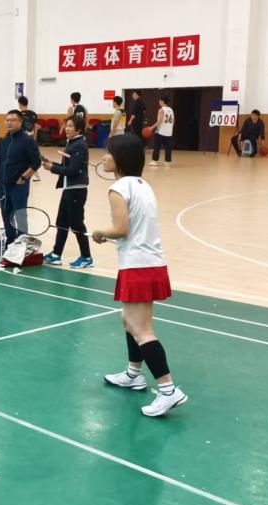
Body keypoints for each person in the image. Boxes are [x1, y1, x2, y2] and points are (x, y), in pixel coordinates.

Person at [93, 133, 187, 417]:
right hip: (151, 262)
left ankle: (168, 390)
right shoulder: (143, 185)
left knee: (141, 329)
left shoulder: (118, 188)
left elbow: (121, 229)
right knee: (130, 321)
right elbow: (132, 228)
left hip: (138, 265)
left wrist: (100, 232)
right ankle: (134, 374)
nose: (104, 157)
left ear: (120, 158)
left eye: (108, 152)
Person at [42, 116, 93, 268]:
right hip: (68, 189)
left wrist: (53, 168)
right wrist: (51, 164)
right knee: (62, 223)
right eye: (66, 125)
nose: (67, 129)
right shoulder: (72, 143)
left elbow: (73, 170)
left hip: (76, 190)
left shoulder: (79, 145)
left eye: (70, 126)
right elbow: (67, 167)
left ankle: (87, 257)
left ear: (79, 129)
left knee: (77, 225)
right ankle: (56, 255)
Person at [0, 109, 41, 249]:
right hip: (3, 185)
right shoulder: (3, 141)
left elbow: (36, 163)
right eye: (7, 120)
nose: (8, 122)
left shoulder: (28, 141)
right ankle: (10, 240)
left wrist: (23, 177)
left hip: (19, 186)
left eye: (12, 120)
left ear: (20, 122)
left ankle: (23, 242)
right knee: (6, 214)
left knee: (20, 214)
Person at [18, 97, 40, 181]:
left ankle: (26, 174)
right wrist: (34, 137)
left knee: (24, 156)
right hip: (31, 137)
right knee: (32, 156)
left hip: (22, 138)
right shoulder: (33, 114)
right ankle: (36, 176)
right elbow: (36, 127)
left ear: (20, 104)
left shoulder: (19, 114)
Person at [149, 95, 174, 167]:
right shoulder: (171, 110)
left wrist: (151, 128)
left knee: (157, 146)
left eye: (160, 101)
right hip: (169, 132)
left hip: (161, 131)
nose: (159, 102)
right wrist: (169, 128)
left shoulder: (161, 110)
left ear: (162, 101)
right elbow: (173, 121)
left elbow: (159, 121)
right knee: (168, 147)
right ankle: (167, 162)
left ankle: (154, 161)